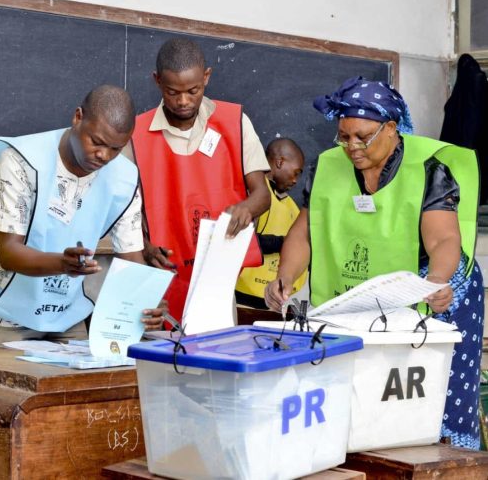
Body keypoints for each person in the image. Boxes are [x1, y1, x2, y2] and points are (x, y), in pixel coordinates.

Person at [264, 76, 482, 449]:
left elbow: (443, 238)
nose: (351, 146)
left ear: (391, 128)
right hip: (367, 293)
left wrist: (437, 282)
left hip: (436, 292)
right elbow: (305, 232)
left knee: (432, 402)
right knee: (369, 399)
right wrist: (285, 277)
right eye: (344, 137)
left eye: (361, 136)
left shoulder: (429, 170)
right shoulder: (327, 167)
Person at [0, 84, 164, 348]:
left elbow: (131, 256)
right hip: (0, 315)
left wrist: (144, 299)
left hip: (67, 317)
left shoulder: (124, 177)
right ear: (78, 117)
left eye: (116, 148)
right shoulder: (21, 160)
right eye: (97, 142)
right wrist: (63, 264)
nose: (104, 155)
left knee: (82, 385)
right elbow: (8, 253)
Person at [128, 37, 271, 322]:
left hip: (216, 275)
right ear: (157, 81)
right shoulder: (135, 134)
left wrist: (247, 208)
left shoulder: (235, 121)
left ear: (206, 77)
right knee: (157, 358)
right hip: (158, 278)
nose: (183, 101)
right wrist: (142, 244)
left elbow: (262, 194)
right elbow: (122, 212)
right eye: (172, 92)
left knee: (216, 356)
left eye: (193, 90)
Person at [235, 138, 307, 309]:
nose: (296, 180)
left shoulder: (293, 207)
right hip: (244, 297)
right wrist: (284, 243)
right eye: (296, 172)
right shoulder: (254, 196)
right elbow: (244, 241)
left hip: (277, 300)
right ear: (280, 162)